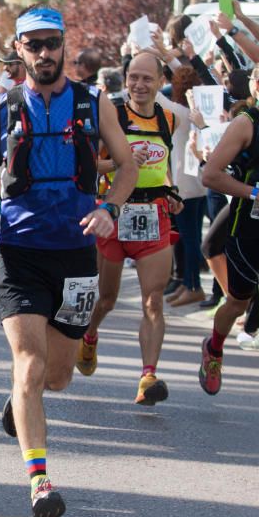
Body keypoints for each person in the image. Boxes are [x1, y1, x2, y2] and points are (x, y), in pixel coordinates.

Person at [0, 6, 135, 517]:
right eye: (33, 44)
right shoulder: (3, 107)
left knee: (57, 376)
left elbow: (127, 166)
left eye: (52, 43)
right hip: (19, 251)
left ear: (64, 45)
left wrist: (109, 210)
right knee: (31, 365)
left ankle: (20, 402)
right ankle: (40, 483)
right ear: (18, 49)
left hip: (77, 252)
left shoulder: (94, 102)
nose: (44, 53)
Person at [77, 53, 184, 405]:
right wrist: (120, 162)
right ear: (125, 81)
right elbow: (87, 164)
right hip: (114, 213)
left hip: (154, 214)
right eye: (133, 78)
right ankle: (89, 335)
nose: (139, 85)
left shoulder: (169, 119)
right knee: (106, 300)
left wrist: (171, 191)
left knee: (154, 300)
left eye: (146, 79)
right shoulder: (114, 115)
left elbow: (164, 164)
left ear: (159, 81)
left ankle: (147, 376)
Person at [199, 53, 259, 420]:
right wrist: (254, 193)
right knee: (238, 304)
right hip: (248, 228)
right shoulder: (246, 124)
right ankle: (214, 347)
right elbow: (211, 175)